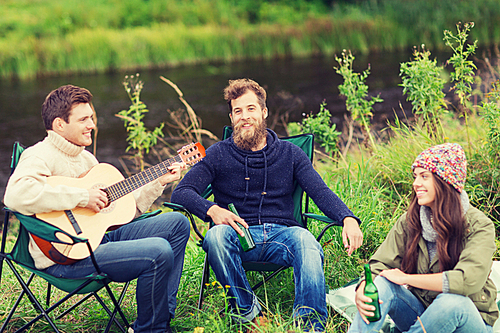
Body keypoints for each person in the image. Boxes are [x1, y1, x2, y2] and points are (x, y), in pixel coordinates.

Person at [171, 78, 363, 332]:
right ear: (231, 117)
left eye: (251, 109)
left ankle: (309, 326)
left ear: (264, 112)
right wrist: (212, 210)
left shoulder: (291, 154)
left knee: (306, 242)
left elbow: (320, 191)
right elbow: (181, 192)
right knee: (216, 236)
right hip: (238, 235)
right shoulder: (217, 154)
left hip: (283, 234)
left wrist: (348, 218)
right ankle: (249, 314)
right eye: (238, 111)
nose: (245, 116)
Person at [3, 85, 190, 333]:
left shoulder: (86, 159)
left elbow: (124, 213)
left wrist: (159, 182)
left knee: (177, 223)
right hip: (66, 255)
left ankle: (161, 315)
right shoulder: (39, 156)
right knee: (158, 250)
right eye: (83, 119)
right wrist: (82, 197)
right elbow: (15, 195)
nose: (91, 124)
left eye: (91, 117)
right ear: (59, 124)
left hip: (97, 240)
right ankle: (151, 329)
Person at [348, 143, 498, 333]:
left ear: (445, 182)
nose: (415, 183)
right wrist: (363, 287)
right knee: (382, 283)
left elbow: (466, 281)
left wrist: (407, 278)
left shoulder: (479, 226)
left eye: (424, 176)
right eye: (415, 176)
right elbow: (380, 265)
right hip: (423, 316)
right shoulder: (411, 220)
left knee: (451, 301)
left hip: (468, 320)